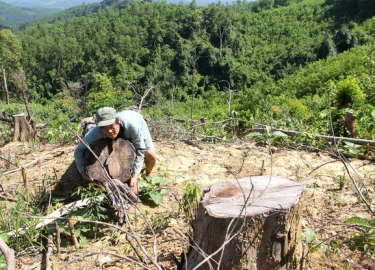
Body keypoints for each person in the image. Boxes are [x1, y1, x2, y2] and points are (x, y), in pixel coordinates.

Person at [74, 107, 156, 195]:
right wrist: (82, 171)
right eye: (104, 128)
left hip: (137, 120)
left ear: (118, 121)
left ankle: (148, 172)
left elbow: (140, 149)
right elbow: (79, 150)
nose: (109, 131)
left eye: (111, 126)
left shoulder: (133, 126)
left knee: (150, 155)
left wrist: (135, 176)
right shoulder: (97, 131)